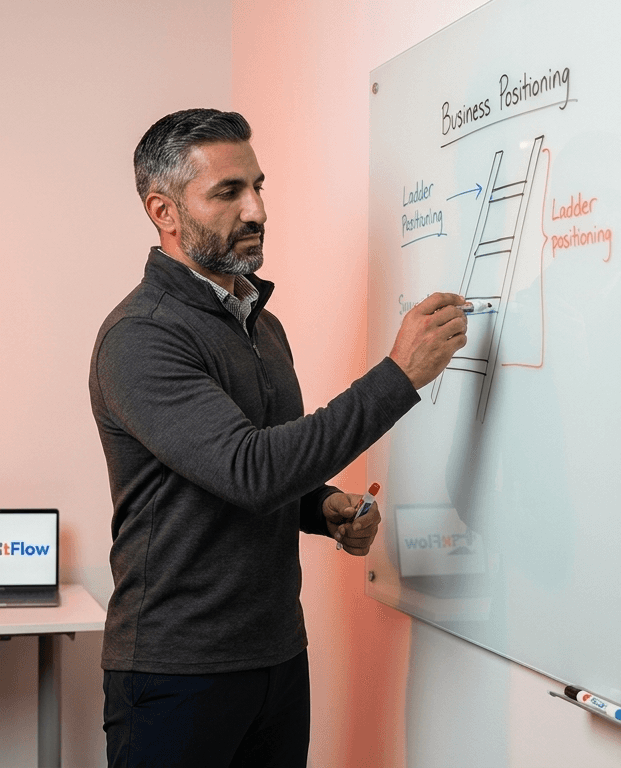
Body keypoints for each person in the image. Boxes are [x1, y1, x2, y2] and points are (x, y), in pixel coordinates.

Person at [88, 108, 468, 767]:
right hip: (177, 670)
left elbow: (249, 476)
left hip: (277, 655)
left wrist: (320, 508)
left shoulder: (261, 325)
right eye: (228, 192)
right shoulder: (141, 337)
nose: (257, 209)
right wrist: (401, 375)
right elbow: (248, 468)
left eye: (258, 186)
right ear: (165, 211)